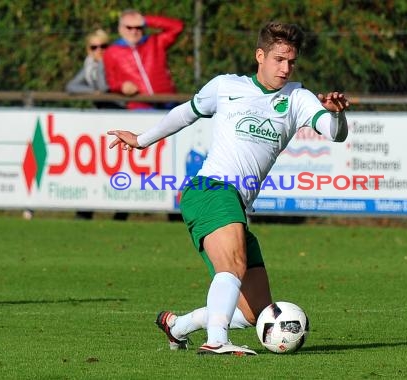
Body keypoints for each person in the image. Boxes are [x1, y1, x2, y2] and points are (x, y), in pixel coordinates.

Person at [107, 21, 350, 355]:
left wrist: (336, 115)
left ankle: (178, 326)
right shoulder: (225, 86)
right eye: (279, 59)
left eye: (291, 61)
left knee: (256, 313)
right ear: (259, 55)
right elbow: (185, 113)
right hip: (211, 189)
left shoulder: (298, 97)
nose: (285, 67)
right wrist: (141, 140)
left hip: (235, 203)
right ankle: (217, 339)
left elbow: (334, 132)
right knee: (232, 266)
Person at [65, 28, 127, 221]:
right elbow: (71, 87)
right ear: (88, 49)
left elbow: (104, 87)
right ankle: (85, 211)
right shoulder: (89, 65)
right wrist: (93, 92)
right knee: (97, 167)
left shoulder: (110, 63)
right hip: (104, 121)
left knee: (121, 167)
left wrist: (100, 71)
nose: (99, 51)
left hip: (121, 117)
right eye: (94, 47)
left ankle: (121, 210)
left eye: (104, 46)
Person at [103, 9, 184, 110]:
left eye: (138, 27)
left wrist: (146, 20)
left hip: (168, 101)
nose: (134, 31)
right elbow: (111, 82)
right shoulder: (111, 52)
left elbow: (177, 27)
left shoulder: (155, 42)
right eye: (129, 27)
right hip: (140, 105)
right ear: (120, 29)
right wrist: (122, 87)